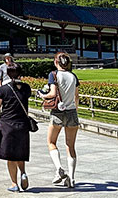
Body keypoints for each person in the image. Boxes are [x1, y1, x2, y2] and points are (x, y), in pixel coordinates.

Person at [37, 52, 80, 188]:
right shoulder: (73, 76)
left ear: (56, 62)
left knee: (51, 142)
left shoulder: (54, 75)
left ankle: (59, 168)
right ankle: (72, 178)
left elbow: (53, 93)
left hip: (58, 112)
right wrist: (75, 110)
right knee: (70, 146)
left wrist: (42, 95)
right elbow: (76, 96)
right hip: (72, 111)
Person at [0, 62, 32, 192]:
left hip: (7, 125)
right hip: (23, 124)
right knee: (20, 153)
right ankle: (23, 172)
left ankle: (14, 184)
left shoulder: (4, 89)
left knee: (11, 156)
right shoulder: (26, 88)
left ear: (8, 74)